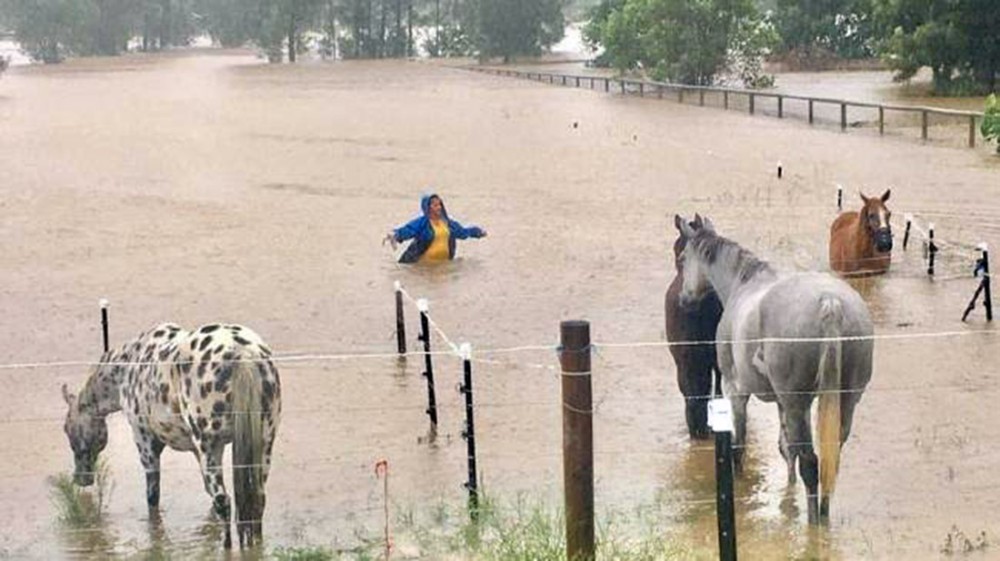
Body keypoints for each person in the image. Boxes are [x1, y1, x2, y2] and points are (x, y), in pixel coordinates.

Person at [384, 194, 487, 264]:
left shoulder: (448, 223)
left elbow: (463, 233)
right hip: (423, 268)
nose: (439, 207)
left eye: (439, 204)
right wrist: (396, 234)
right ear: (427, 207)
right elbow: (408, 230)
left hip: (444, 267)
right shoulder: (422, 223)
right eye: (435, 205)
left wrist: (477, 232)